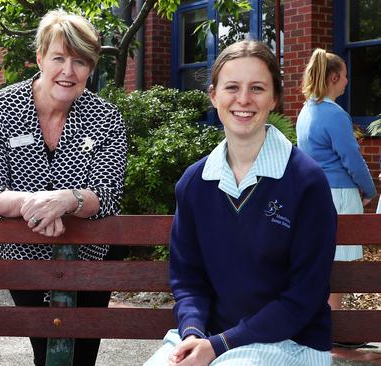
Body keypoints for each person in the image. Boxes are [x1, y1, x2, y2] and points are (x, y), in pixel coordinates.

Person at [143, 40, 336, 366]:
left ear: (274, 98)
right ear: (214, 95)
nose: (243, 99)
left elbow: (303, 298)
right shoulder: (194, 183)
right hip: (208, 338)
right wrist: (192, 332)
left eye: (257, 88)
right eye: (232, 87)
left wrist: (220, 345)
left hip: (290, 341)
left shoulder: (306, 181)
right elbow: (188, 280)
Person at [0, 9, 127, 366]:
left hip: (91, 255)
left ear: (91, 67)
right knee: (48, 353)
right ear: (40, 57)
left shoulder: (106, 118)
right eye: (58, 58)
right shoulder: (0, 109)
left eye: (80, 61)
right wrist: (39, 203)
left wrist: (67, 200)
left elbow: (107, 194)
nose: (68, 71)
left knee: (81, 358)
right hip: (21, 256)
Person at [295, 48, 376, 318]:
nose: (346, 81)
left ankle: (321, 322)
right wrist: (370, 189)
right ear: (332, 77)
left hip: (313, 195)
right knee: (339, 263)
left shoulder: (306, 110)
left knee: (322, 260)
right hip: (339, 195)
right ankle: (333, 327)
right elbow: (351, 158)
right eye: (344, 76)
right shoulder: (334, 114)